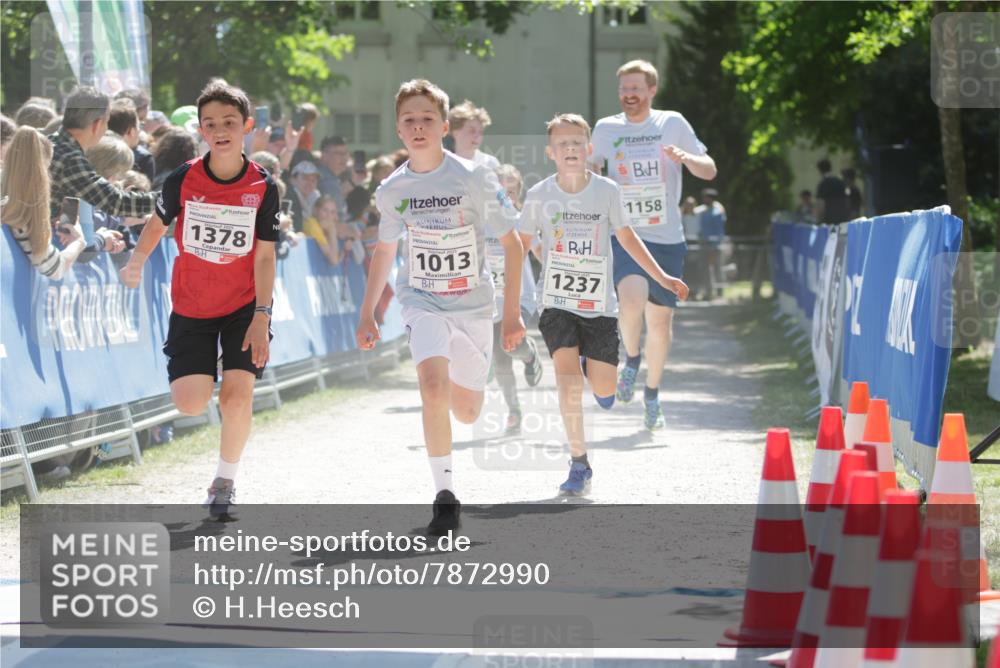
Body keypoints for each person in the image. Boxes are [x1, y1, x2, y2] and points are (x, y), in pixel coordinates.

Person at [356, 79, 525, 535]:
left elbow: (513, 245)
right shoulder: (393, 189)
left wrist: (511, 315)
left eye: (427, 119)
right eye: (409, 120)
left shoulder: (474, 177)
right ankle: (445, 497)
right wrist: (368, 310)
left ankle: (463, 373)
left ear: (445, 126)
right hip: (422, 299)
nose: (418, 127)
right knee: (432, 388)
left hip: (473, 305)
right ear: (398, 129)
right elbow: (385, 251)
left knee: (467, 411)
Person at [118, 81, 279, 518]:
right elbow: (157, 224)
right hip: (193, 304)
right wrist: (136, 262)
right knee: (189, 402)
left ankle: (224, 482)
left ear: (246, 126)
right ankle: (216, 365)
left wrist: (262, 316)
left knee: (236, 398)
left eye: (229, 122)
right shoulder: (183, 178)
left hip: (244, 305)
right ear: (201, 130)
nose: (220, 130)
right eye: (210, 124)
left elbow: (265, 255)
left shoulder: (263, 185)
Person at [520, 114, 687, 495]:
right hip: (557, 300)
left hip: (598, 304)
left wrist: (663, 278)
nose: (570, 149)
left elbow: (627, 238)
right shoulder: (540, 194)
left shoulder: (608, 191)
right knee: (566, 381)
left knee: (605, 389)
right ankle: (579, 461)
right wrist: (519, 300)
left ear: (590, 149)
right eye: (562, 144)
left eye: (577, 142)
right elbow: (521, 243)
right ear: (550, 152)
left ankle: (594, 366)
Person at [590, 60, 715, 430]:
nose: (629, 94)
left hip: (667, 238)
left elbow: (709, 169)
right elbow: (589, 171)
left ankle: (652, 394)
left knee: (659, 324)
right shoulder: (606, 128)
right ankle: (631, 358)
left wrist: (687, 158)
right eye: (624, 88)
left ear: (651, 90)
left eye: (636, 88)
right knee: (630, 301)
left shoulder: (671, 123)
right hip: (625, 234)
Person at [488, 163, 543, 436]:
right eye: (501, 191)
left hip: (520, 297)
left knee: (508, 347)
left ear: (518, 193)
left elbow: (541, 252)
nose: (506, 197)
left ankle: (529, 353)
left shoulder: (522, 220)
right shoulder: (480, 222)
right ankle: (514, 409)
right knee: (500, 359)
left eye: (511, 191)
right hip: (490, 300)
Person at [49, 86, 157, 222]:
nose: (107, 130)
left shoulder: (52, 142)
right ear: (97, 124)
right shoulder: (70, 158)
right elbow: (114, 202)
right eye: (107, 122)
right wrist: (170, 198)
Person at [107, 98, 156, 183]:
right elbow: (146, 188)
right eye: (139, 126)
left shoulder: (97, 151)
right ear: (131, 131)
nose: (140, 131)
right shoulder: (144, 158)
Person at [448, 100, 500, 169]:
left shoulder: (490, 163)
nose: (477, 136)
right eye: (472, 131)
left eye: (480, 132)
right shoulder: (444, 165)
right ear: (456, 133)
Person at [695, 188, 726, 300]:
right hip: (704, 245)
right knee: (706, 270)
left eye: (706, 197)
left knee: (716, 269)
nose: (704, 199)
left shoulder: (717, 213)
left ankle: (719, 292)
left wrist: (715, 245)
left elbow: (719, 231)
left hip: (714, 246)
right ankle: (708, 292)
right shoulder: (704, 212)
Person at [302, 195, 346, 266]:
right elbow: (334, 261)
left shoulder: (322, 228)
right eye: (325, 210)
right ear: (316, 210)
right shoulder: (312, 224)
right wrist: (332, 231)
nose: (328, 215)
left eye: (332, 212)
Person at [317, 135, 350, 217]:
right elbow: (337, 217)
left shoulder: (334, 178)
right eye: (338, 153)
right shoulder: (327, 181)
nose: (344, 157)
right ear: (324, 155)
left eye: (345, 153)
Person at [288, 159, 320, 233]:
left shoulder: (316, 197)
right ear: (292, 180)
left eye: (313, 180)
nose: (309, 183)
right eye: (305, 178)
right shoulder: (289, 197)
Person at [814, 158, 849, 224]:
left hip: (829, 220)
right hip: (842, 219)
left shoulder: (823, 184)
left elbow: (821, 204)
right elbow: (847, 200)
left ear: (820, 170)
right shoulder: (840, 182)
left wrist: (819, 220)